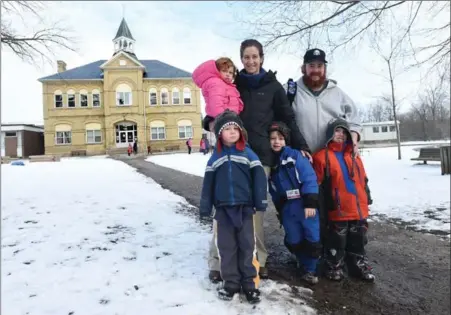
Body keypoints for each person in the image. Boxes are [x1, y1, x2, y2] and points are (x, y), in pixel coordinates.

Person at [207, 39, 311, 282]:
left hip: (261, 158)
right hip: (231, 155)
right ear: (241, 59)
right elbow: (214, 108)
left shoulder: (273, 87)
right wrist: (209, 123)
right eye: (246, 57)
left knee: (255, 211)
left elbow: (288, 118)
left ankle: (258, 258)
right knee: (223, 207)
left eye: (255, 56)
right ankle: (217, 260)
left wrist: (301, 145)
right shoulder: (233, 83)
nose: (251, 61)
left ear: (262, 58)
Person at [199, 110, 267, 304]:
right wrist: (205, 207)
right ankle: (230, 283)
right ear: (220, 133)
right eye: (227, 129)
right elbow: (208, 185)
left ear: (241, 132)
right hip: (223, 211)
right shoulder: (215, 158)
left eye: (235, 128)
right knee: (226, 248)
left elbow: (259, 179)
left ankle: (249, 284)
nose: (231, 132)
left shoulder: (248, 153)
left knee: (247, 246)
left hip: (245, 209)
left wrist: (260, 200)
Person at [312, 118, 375, 282]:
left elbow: (363, 179)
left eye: (344, 132)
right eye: (337, 131)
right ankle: (334, 265)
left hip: (358, 206)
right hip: (338, 207)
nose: (340, 135)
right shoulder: (322, 156)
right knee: (337, 239)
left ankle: (357, 265)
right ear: (329, 134)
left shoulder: (354, 156)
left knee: (358, 238)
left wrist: (367, 196)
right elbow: (317, 184)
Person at [267, 122, 321, 285]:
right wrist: (280, 210)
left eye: (281, 138)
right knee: (294, 237)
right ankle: (302, 260)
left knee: (311, 236)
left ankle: (310, 269)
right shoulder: (272, 164)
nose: (276, 142)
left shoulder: (295, 156)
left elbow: (309, 178)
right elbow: (274, 190)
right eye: (273, 138)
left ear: (287, 141)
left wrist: (310, 203)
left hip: (304, 205)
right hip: (288, 208)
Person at [286, 48, 362, 155]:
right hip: (301, 160)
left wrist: (353, 140)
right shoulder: (291, 91)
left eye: (320, 66)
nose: (316, 70)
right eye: (311, 66)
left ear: (325, 68)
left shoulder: (337, 93)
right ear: (304, 68)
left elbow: (354, 120)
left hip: (331, 161)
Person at [193, 58, 244, 132]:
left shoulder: (228, 86)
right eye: (224, 71)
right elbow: (216, 104)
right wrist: (222, 121)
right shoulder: (217, 83)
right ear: (217, 71)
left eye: (230, 72)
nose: (228, 74)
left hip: (230, 120)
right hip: (224, 122)